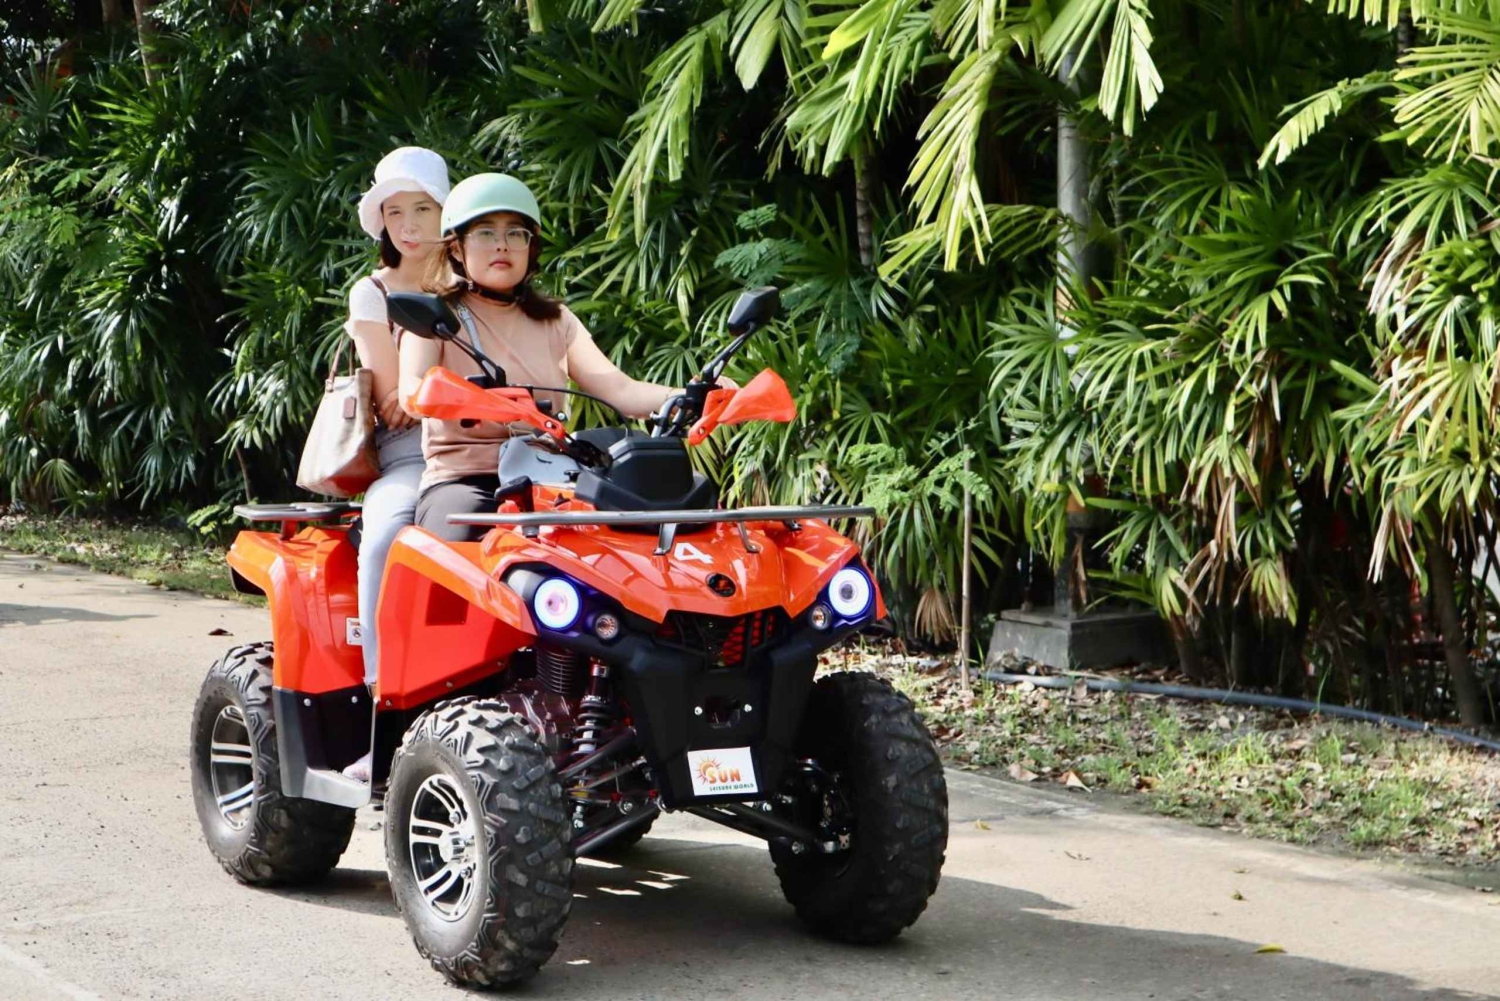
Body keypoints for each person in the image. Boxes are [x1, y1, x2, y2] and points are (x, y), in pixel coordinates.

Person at [398, 173, 731, 541]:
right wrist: (472, 400)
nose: (502, 246)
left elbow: (619, 389)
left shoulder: (555, 320)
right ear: (457, 248)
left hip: (552, 478)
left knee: (639, 542)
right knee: (455, 551)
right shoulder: (437, 316)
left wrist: (692, 395)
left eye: (515, 233)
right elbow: (412, 392)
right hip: (467, 480)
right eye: (485, 233)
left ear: (531, 247)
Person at [342, 146, 449, 782]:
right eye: (395, 211)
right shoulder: (373, 291)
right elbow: (393, 400)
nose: (407, 225)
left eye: (423, 209)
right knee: (384, 535)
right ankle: (385, 712)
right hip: (412, 454)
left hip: (501, 442)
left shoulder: (478, 279)